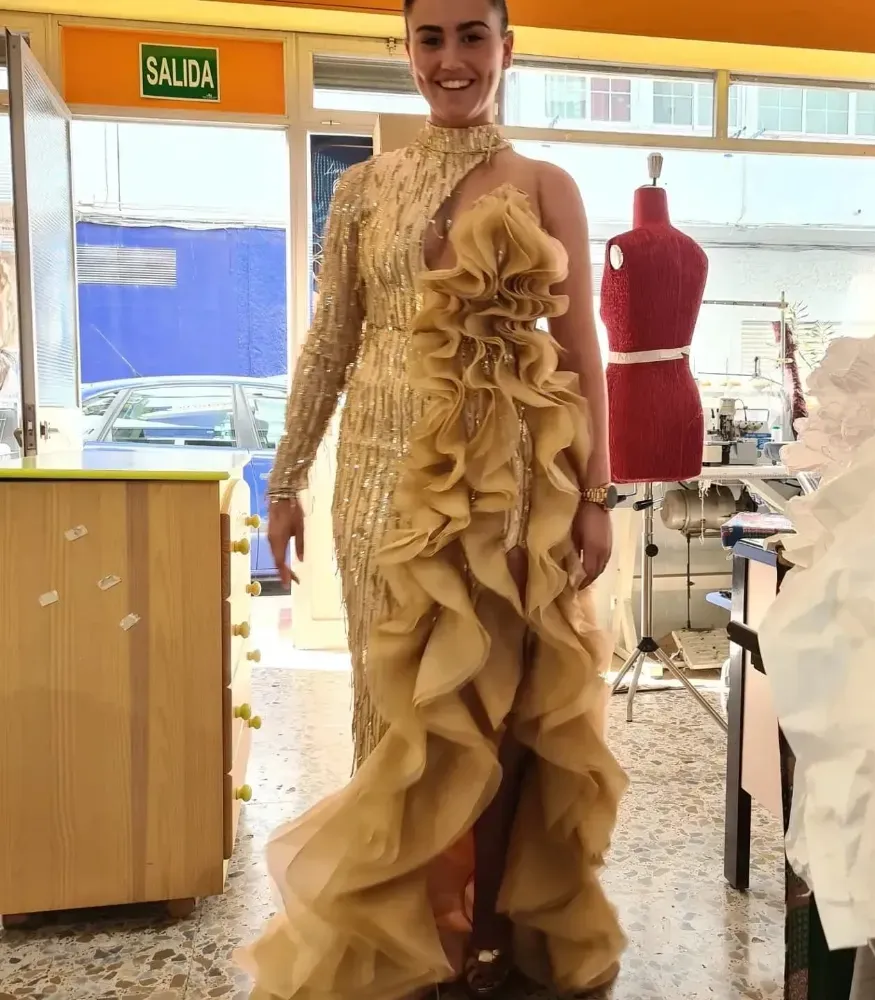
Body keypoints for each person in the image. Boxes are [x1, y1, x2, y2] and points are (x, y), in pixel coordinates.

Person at [238, 0, 628, 996]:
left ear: (507, 48)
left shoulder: (547, 184)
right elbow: (331, 342)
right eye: (430, 39)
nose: (450, 60)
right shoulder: (362, 188)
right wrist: (282, 480)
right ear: (405, 51)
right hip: (373, 483)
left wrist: (594, 493)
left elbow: (583, 349)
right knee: (391, 714)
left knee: (488, 709)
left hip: (502, 485)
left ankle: (482, 938)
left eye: (471, 36)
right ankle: (405, 946)